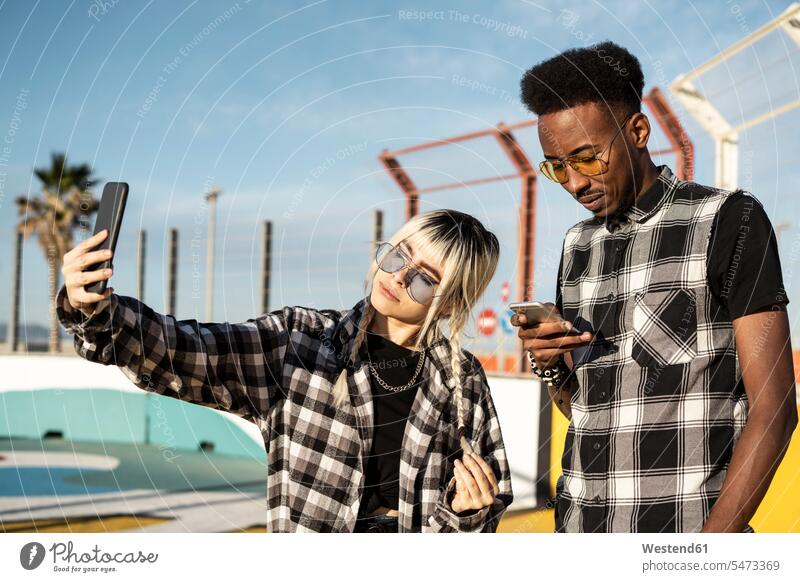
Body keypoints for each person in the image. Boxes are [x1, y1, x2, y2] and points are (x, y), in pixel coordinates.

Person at [56, 209, 513, 533]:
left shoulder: (461, 381)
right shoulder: (300, 340)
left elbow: (487, 507)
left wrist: (467, 517)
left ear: (452, 301)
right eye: (398, 256)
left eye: (423, 278)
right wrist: (97, 312)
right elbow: (191, 350)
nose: (396, 276)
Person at [511, 41, 797, 533]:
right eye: (557, 167)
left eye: (586, 159)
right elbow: (582, 409)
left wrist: (705, 554)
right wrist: (548, 362)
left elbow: (775, 409)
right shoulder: (576, 245)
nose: (574, 183)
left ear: (638, 130)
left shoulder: (728, 220)